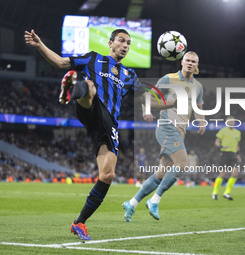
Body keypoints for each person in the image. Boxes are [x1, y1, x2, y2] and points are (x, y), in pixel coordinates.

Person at [25, 28, 175, 240]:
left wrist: (173, 102)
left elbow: (147, 100)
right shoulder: (92, 58)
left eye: (129, 43)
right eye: (121, 41)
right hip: (89, 106)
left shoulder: (129, 75)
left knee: (107, 175)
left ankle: (79, 223)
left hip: (108, 124)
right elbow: (59, 62)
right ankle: (73, 91)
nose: (125, 46)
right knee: (90, 86)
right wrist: (39, 44)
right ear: (110, 43)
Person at [123, 51, 206, 221]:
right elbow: (147, 96)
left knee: (161, 174)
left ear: (197, 66)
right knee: (183, 164)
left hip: (180, 131)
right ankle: (154, 200)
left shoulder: (198, 86)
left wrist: (201, 121)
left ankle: (131, 203)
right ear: (182, 62)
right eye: (187, 60)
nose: (190, 63)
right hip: (167, 127)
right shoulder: (168, 79)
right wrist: (146, 110)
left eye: (194, 61)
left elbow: (199, 107)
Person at [212, 116, 241, 200]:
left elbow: (237, 145)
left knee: (235, 173)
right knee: (222, 174)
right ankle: (215, 192)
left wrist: (238, 155)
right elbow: (217, 142)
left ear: (234, 122)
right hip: (224, 154)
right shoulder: (223, 131)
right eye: (229, 121)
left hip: (233, 154)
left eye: (232, 121)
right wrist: (221, 146)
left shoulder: (238, 133)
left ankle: (227, 193)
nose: (230, 123)